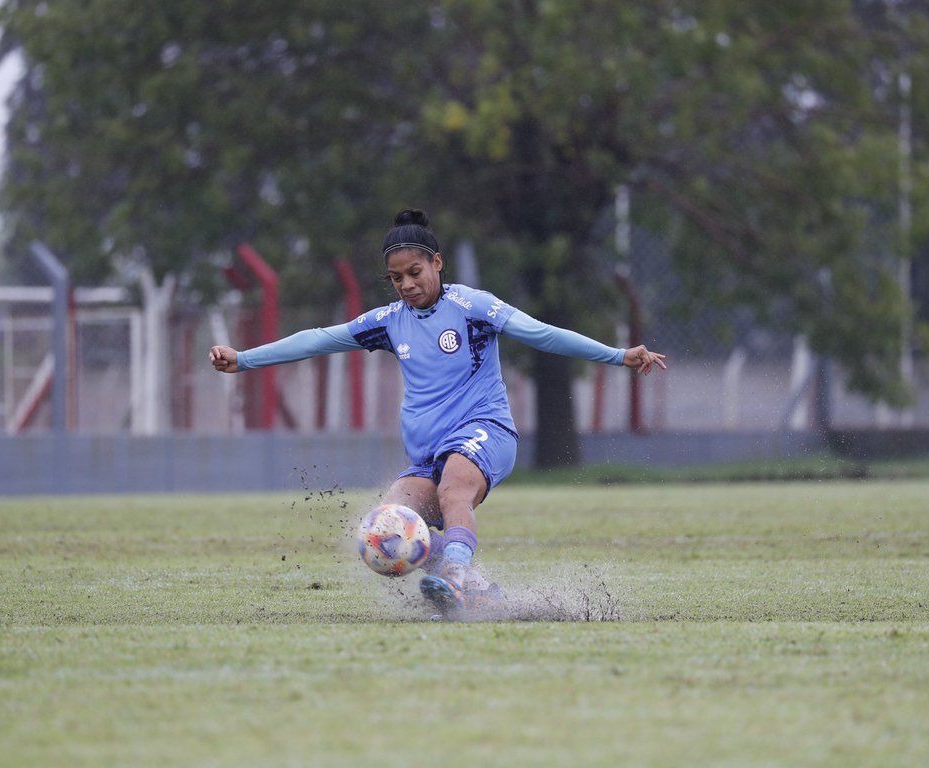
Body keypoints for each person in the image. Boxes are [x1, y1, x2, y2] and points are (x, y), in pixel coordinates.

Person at [209, 208, 666, 617]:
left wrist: (617, 354)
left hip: (486, 432)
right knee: (388, 523)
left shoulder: (473, 307)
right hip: (429, 456)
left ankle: (455, 579)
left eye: (414, 272)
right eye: (396, 278)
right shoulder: (389, 321)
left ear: (437, 263)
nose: (407, 285)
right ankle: (483, 591)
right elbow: (318, 338)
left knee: (454, 491)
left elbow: (541, 333)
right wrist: (245, 358)